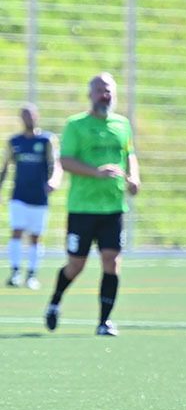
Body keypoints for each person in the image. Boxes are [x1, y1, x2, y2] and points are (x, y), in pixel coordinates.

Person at [44, 73, 140, 336]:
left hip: (113, 208)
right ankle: (54, 302)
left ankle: (104, 321)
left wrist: (134, 178)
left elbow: (129, 154)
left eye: (108, 90)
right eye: (99, 90)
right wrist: (97, 172)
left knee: (112, 262)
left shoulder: (122, 124)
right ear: (90, 94)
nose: (104, 95)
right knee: (76, 265)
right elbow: (66, 160)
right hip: (83, 208)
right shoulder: (76, 125)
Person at [1, 103, 62, 289]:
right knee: (17, 231)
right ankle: (15, 272)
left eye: (31, 115)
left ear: (38, 116)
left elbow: (55, 165)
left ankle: (31, 275)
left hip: (39, 197)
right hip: (19, 196)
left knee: (35, 237)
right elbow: (5, 167)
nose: (28, 118)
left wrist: (53, 181)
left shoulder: (46, 140)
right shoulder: (15, 141)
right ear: (21, 119)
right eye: (24, 115)